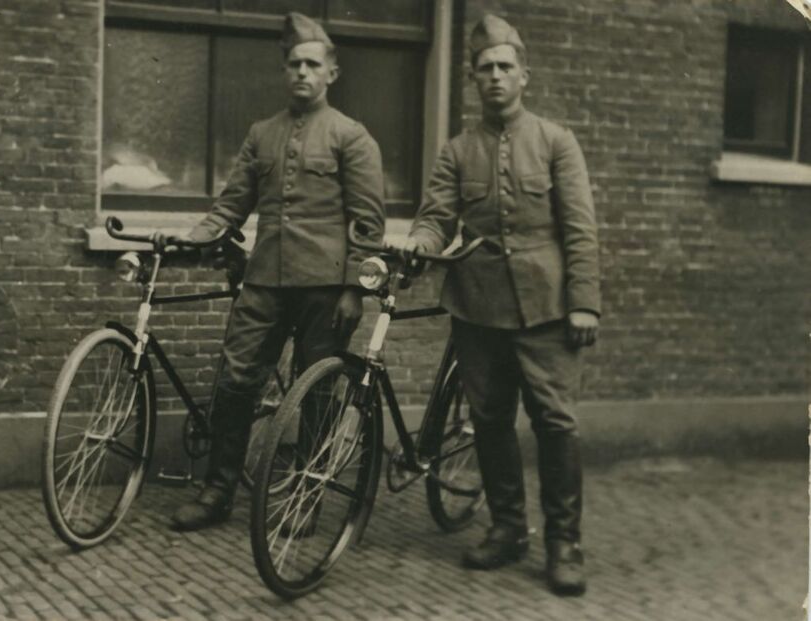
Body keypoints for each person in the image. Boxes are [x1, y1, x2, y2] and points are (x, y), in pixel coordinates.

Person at [402, 14, 600, 596]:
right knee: (489, 420)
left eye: (504, 67)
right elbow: (436, 217)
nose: (495, 76)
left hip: (547, 309)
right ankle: (508, 528)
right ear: (473, 78)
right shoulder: (458, 151)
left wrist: (584, 303)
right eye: (485, 68)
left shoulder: (556, 142)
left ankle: (564, 543)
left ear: (523, 75)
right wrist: (419, 244)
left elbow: (580, 229)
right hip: (478, 306)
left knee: (556, 422)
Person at [170, 12, 385, 532]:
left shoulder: (351, 137)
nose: (302, 73)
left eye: (312, 64)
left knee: (318, 392)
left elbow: (368, 222)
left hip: (325, 289)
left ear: (332, 73)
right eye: (294, 64)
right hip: (264, 282)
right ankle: (218, 490)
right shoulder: (261, 134)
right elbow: (231, 206)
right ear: (284, 71)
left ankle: (306, 496)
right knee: (235, 380)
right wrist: (192, 237)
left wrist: (354, 289)